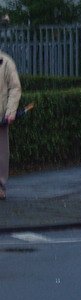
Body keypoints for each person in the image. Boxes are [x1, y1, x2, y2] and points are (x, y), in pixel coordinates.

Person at [0, 48, 22, 201]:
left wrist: (10, 112)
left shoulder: (7, 63)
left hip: (1, 118)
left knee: (1, 153)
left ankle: (0, 185)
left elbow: (15, 88)